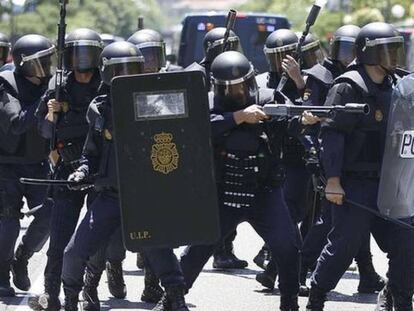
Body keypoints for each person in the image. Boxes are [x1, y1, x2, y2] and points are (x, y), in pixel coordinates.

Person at [179, 51, 301, 311]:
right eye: (228, 89)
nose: (236, 94)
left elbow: (294, 122)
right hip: (224, 192)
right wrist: (239, 117)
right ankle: (173, 299)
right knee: (197, 250)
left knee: (287, 247)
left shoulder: (269, 98)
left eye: (240, 87)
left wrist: (303, 120)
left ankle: (290, 303)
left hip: (264, 192)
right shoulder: (209, 104)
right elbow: (195, 130)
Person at [306, 22, 414, 311]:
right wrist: (333, 180)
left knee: (406, 243)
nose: (394, 57)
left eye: (396, 50)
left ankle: (399, 298)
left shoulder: (399, 85)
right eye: (387, 51)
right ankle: (316, 298)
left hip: (392, 183)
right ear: (368, 54)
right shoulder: (348, 86)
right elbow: (332, 136)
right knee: (345, 246)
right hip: (354, 183)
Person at [298, 24, 385, 296]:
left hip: (370, 171)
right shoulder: (328, 77)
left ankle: (369, 276)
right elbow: (318, 122)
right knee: (330, 225)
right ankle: (295, 272)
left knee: (357, 226)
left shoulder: (378, 79)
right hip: (333, 160)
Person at [60, 41, 145, 311]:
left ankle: (170, 295)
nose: (127, 77)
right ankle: (76, 296)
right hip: (109, 194)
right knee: (76, 252)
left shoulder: (154, 103)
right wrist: (82, 172)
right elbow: (90, 154)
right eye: (121, 71)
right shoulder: (99, 109)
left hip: (146, 196)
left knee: (158, 252)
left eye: (132, 69)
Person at [28, 28, 104, 310]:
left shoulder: (107, 86)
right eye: (76, 52)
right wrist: (52, 112)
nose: (82, 60)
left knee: (95, 243)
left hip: (98, 173)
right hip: (66, 171)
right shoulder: (57, 88)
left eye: (87, 52)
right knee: (58, 239)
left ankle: (90, 289)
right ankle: (51, 293)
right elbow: (45, 131)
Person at [0, 34, 55, 297]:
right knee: (7, 221)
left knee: (49, 215)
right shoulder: (6, 84)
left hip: (38, 164)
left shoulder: (53, 85)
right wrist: (45, 99)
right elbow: (17, 123)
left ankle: (22, 257)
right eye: (40, 62)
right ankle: (1, 275)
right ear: (24, 64)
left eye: (48, 60)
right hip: (7, 166)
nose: (46, 67)